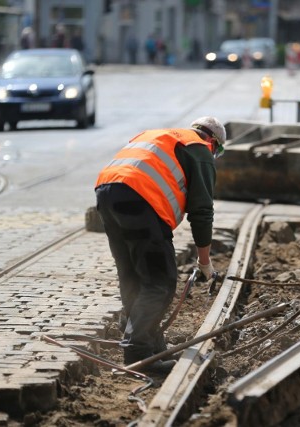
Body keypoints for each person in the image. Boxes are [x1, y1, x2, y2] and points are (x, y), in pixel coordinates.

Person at [94, 117, 226, 374]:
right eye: (218, 151)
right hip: (141, 199)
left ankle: (148, 342)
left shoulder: (160, 136)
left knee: (132, 274)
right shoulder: (199, 148)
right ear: (212, 141)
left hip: (106, 192)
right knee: (160, 282)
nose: (215, 156)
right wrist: (205, 262)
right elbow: (201, 211)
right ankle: (139, 353)